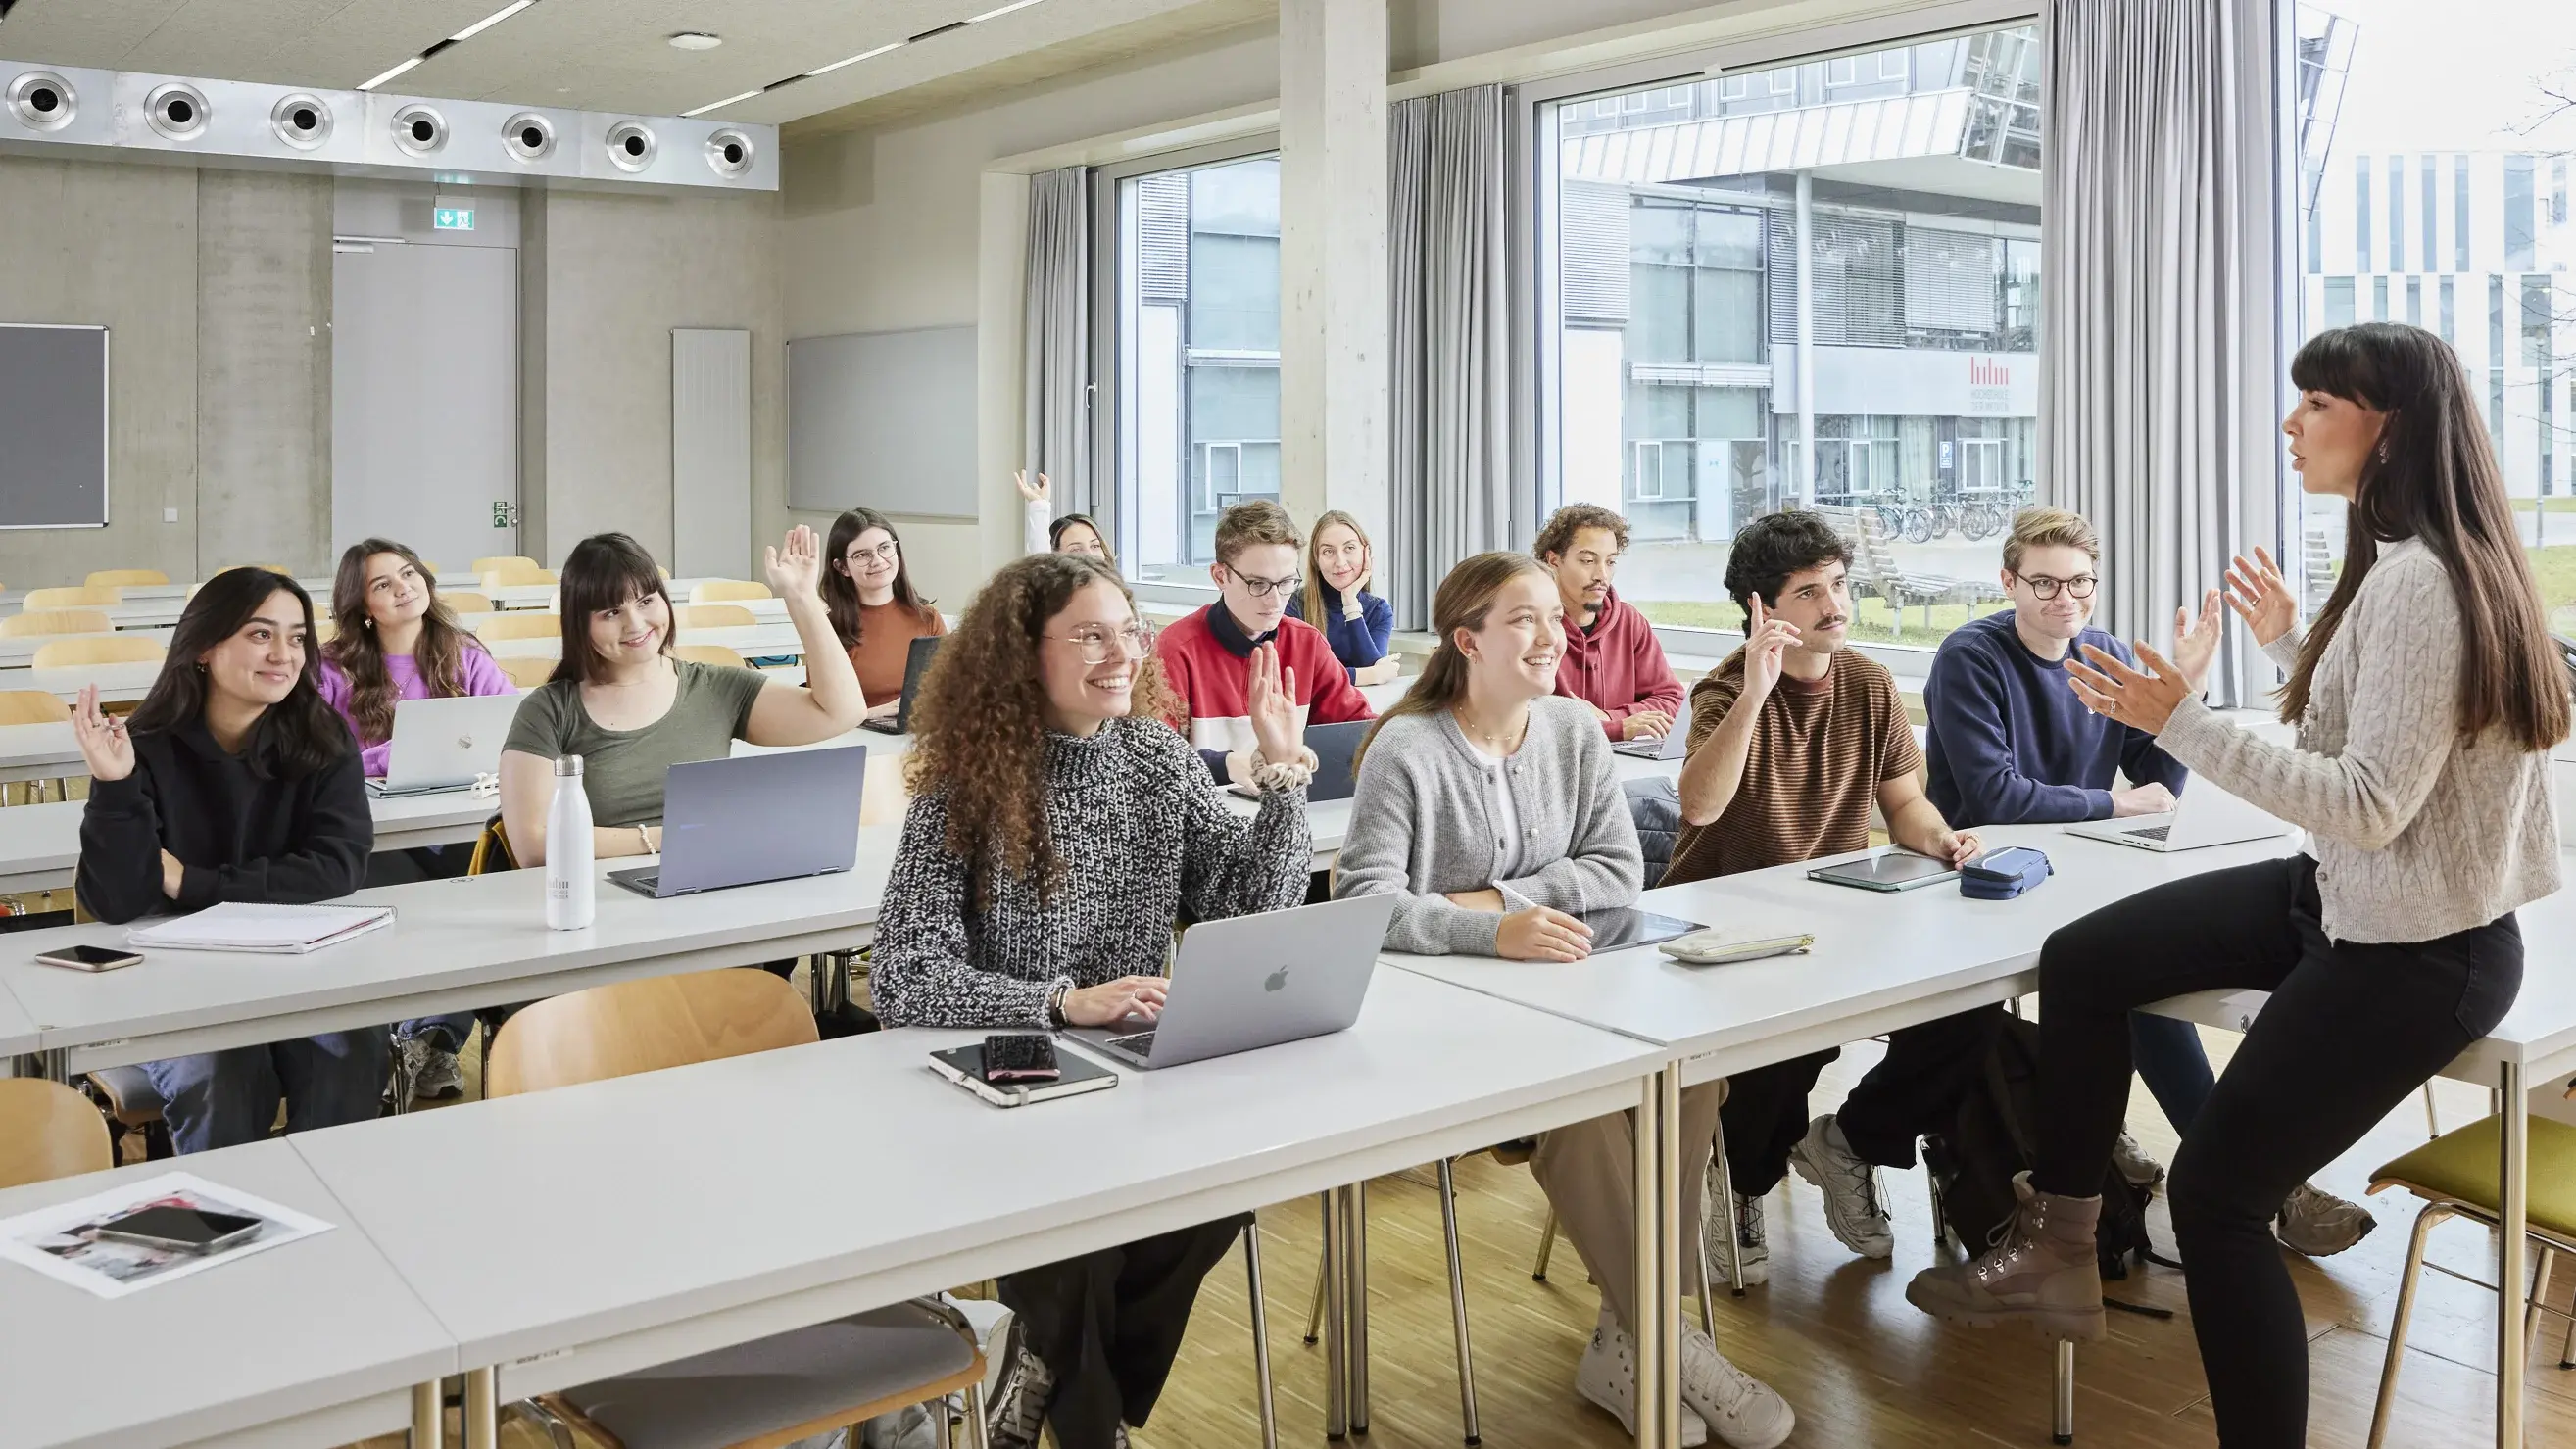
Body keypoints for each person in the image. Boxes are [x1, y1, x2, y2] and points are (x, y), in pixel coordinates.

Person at [1907, 323, 2563, 1448]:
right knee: (2086, 959)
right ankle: (2061, 1242)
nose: (2289, 423)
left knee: (2216, 1201)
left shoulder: (2421, 582)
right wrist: (2288, 644)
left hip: (2413, 949)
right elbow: (2378, 743)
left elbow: (2363, 799)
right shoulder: (2420, 560)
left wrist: (2180, 722)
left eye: (2315, 401)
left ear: (2386, 423)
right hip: (2346, 895)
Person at [1334, 552, 1792, 1449]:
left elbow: (1620, 870)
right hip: (1444, 1019)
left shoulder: (1575, 730)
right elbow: (1363, 903)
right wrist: (1492, 929)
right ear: (1468, 640)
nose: (1553, 635)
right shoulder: (1407, 746)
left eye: (1554, 617)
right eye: (1525, 620)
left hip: (1573, 987)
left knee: (1688, 1076)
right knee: (1585, 1106)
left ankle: (1626, 1341)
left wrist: (1497, 901)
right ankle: (1671, 1341)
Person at [870, 552, 1314, 1449]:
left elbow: (1246, 902)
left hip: (1138, 1068)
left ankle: (1037, 1363)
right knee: (1078, 1227)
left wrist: (1281, 776)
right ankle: (1088, 1423)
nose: (1121, 653)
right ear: (1020, 654)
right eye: (1089, 635)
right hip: (1003, 1069)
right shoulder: (966, 778)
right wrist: (1063, 1002)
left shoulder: (1154, 756)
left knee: (1226, 1180)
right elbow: (903, 973)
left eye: (1128, 631)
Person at [1908, 507, 2374, 1255]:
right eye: (2045, 583)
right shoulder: (1971, 656)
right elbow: (1996, 797)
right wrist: (2114, 800)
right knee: (2131, 987)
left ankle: (2254, 1178)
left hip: (2085, 867)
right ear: (2007, 580)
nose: (2066, 599)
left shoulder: (2103, 652)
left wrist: (2179, 700)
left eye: (2081, 583)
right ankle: (2249, 1181)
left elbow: (2159, 781)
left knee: (2145, 979)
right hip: (1983, 879)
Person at [1662, 510, 1983, 1288]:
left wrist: (1940, 837)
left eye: (1837, 584)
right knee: (1783, 1044)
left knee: (1967, 1005)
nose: (1833, 605)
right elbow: (1699, 804)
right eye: (1809, 592)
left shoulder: (1868, 682)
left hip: (1838, 912)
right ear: (1761, 610)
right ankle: (1737, 1185)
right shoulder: (1727, 688)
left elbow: (1904, 804)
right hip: (1721, 922)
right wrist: (1756, 691)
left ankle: (1849, 1140)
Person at [73, 568, 379, 1154]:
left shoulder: (323, 736)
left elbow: (338, 868)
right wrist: (113, 786)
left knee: (350, 1053)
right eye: (261, 635)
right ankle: (219, 1233)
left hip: (296, 966)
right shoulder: (142, 746)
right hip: (169, 977)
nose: (283, 655)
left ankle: (330, 1221)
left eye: (296, 638)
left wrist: (191, 881)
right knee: (223, 1076)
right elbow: (118, 903)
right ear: (206, 648)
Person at [499, 527, 869, 867]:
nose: (636, 624)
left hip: (707, 883)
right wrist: (674, 836)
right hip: (597, 902)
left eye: (645, 601)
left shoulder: (715, 688)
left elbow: (842, 712)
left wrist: (801, 597)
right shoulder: (549, 710)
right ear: (580, 623)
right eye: (612, 612)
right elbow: (534, 845)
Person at [319, 537, 515, 1101]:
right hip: (371, 830)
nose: (404, 587)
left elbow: (510, 723)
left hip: (457, 818)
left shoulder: (464, 653)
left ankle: (433, 1040)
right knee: (409, 912)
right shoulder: (331, 670)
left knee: (477, 905)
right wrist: (395, 755)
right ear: (361, 605)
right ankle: (395, 1034)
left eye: (409, 574)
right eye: (383, 583)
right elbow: (318, 759)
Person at [1154, 499, 1373, 785]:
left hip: (1291, 813)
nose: (1274, 600)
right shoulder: (1173, 652)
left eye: (1286, 583)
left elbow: (1359, 729)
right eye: (1258, 584)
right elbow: (1151, 761)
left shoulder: (1307, 644)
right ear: (1220, 576)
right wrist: (1227, 765)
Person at [1534, 504, 1684, 743]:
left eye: (1610, 562)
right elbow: (1527, 721)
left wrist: (1609, 718)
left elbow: (1672, 700)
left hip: (1624, 764)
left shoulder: (1630, 622)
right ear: (1554, 561)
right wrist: (1616, 729)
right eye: (1587, 561)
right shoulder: (1531, 628)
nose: (1601, 575)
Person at [820, 507, 947, 718]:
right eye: (862, 555)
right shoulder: (828, 630)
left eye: (884, 548)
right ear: (842, 567)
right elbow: (822, 714)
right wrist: (875, 713)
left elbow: (952, 687)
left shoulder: (927, 618)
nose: (878, 561)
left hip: (922, 735)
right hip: (859, 739)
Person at [1286, 509, 1399, 686]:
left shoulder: (1378, 610)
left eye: (1350, 548)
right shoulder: (1293, 605)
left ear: (1366, 553)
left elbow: (1373, 670)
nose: (1340, 562)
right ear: (1316, 559)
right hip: (1311, 712)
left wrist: (1350, 602)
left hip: (1367, 709)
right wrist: (1367, 675)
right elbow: (1302, 678)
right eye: (1328, 551)